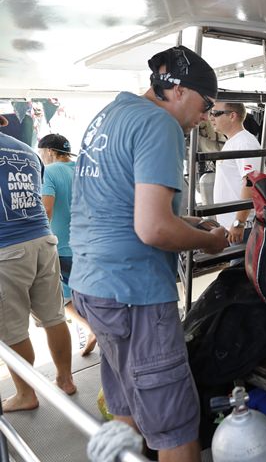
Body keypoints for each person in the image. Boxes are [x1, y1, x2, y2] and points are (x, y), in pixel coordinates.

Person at [69, 46, 228, 462]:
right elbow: (153, 228)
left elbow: (124, 205)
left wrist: (191, 222)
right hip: (133, 293)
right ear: (177, 90)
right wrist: (210, 242)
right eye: (205, 104)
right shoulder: (161, 124)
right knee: (173, 424)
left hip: (94, 288)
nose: (205, 117)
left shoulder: (112, 115)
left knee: (126, 402)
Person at [0, 116, 76, 412]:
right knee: (54, 316)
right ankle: (66, 379)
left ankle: (25, 394)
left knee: (11, 329)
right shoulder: (26, 151)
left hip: (7, 249)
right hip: (44, 240)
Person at [38, 133, 97, 356]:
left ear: (51, 152)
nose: (41, 157)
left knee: (62, 299)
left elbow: (47, 210)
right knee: (89, 292)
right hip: (89, 244)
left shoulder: (50, 171)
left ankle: (92, 329)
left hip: (62, 246)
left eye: (41, 152)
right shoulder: (84, 169)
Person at [209, 102, 261, 244]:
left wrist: (239, 222)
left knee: (241, 265)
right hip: (233, 226)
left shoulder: (244, 143)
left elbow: (250, 183)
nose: (211, 118)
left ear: (232, 116)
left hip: (243, 228)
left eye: (216, 113)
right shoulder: (233, 142)